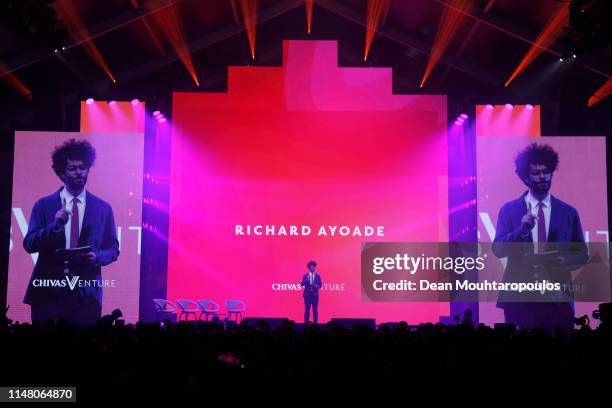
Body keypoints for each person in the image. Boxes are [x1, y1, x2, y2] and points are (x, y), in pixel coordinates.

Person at [492, 143, 587, 334]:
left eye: (546, 171)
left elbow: (581, 254)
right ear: (526, 176)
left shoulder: (568, 212)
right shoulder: (509, 210)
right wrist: (522, 230)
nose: (542, 176)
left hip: (557, 297)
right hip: (520, 298)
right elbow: (498, 249)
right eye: (536, 173)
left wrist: (564, 260)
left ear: (552, 172)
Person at [23, 138, 120, 325]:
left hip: (86, 295)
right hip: (48, 293)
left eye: (82, 168)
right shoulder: (44, 205)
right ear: (61, 173)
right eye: (72, 168)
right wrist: (55, 226)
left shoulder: (103, 208)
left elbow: (113, 249)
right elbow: (29, 244)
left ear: (88, 169)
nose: (78, 173)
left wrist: (97, 257)